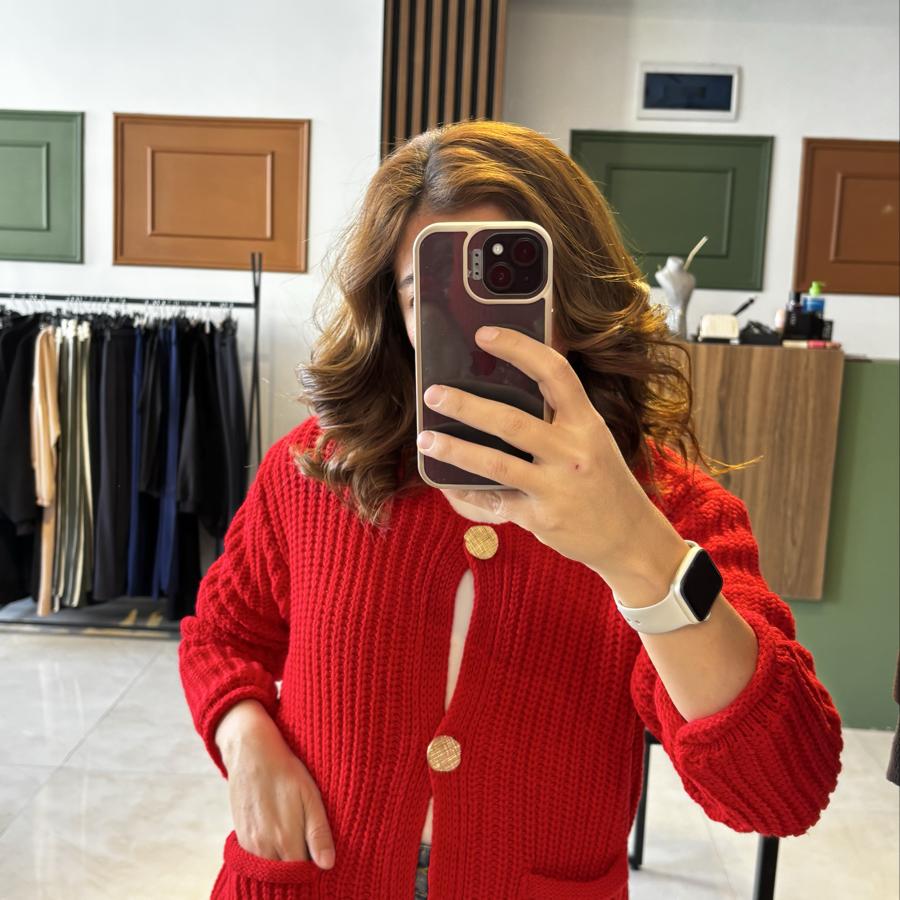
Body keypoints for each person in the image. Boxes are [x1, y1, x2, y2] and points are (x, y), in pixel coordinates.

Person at [179, 120, 843, 900]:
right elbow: (222, 633)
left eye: (511, 289)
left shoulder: (671, 513)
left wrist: (635, 549)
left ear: (577, 296)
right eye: (428, 294)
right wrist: (243, 734)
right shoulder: (317, 469)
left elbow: (782, 791)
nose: (479, 329)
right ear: (393, 311)